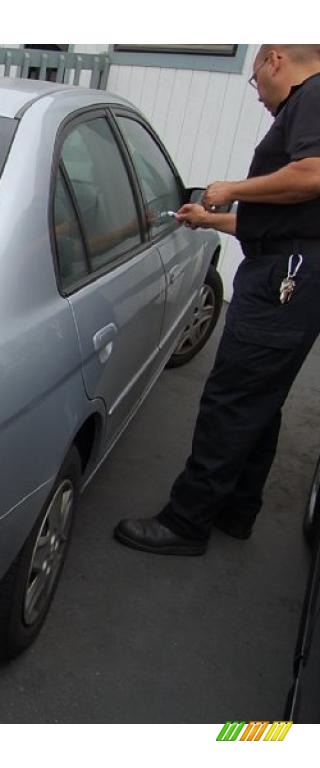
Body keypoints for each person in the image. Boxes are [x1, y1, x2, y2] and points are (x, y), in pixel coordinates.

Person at [115, 44, 320, 556]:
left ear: (274, 59)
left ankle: (186, 523)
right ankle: (237, 509)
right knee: (259, 399)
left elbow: (312, 177)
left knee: (232, 398)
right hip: (291, 267)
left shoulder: (313, 96)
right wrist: (211, 221)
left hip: (284, 277)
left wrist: (232, 187)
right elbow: (290, 217)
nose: (260, 96)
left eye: (255, 81)